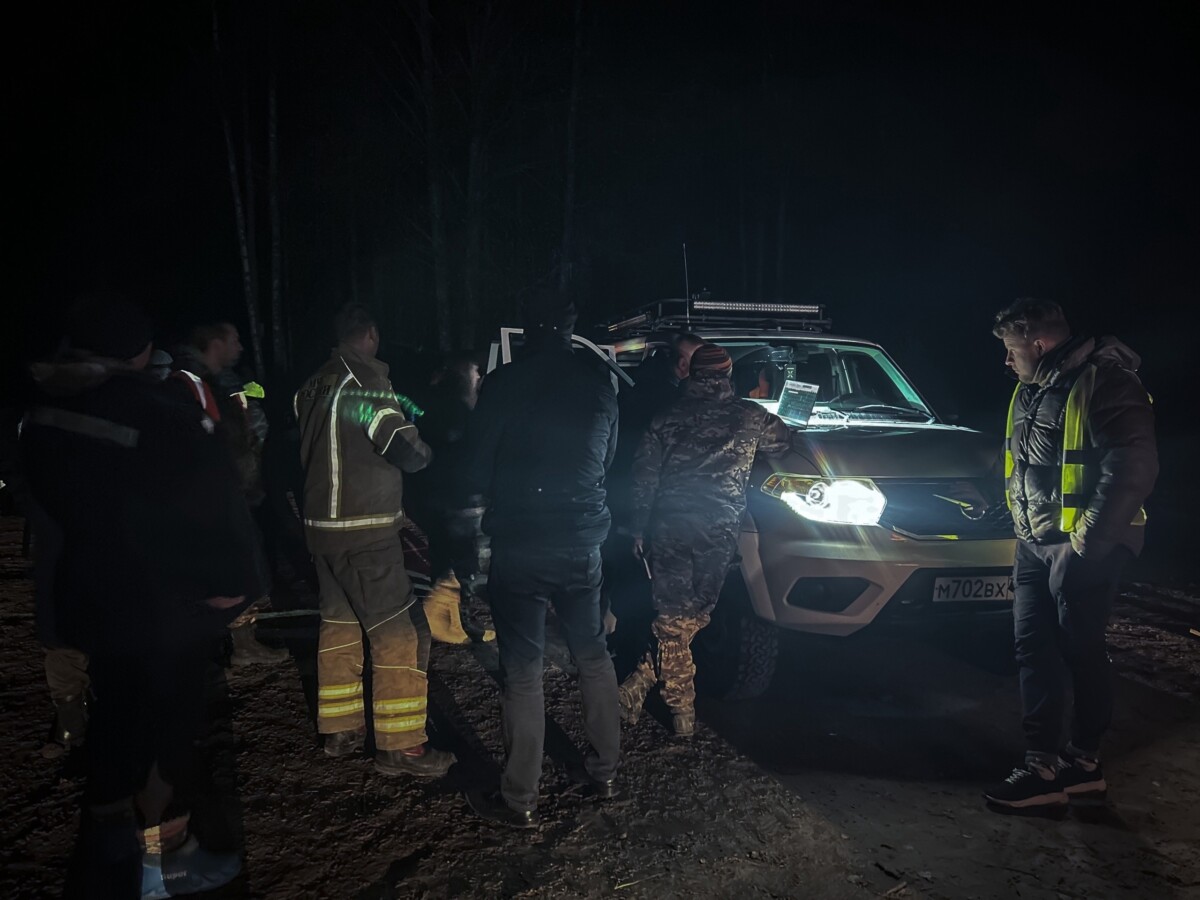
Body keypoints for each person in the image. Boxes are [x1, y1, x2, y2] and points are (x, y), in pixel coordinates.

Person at [21, 296, 260, 897]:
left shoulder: (44, 412)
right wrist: (232, 584)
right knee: (168, 729)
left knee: (116, 713)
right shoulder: (158, 412)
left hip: (91, 592)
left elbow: (43, 503)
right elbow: (208, 505)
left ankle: (109, 833)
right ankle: (169, 856)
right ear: (141, 351)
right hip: (163, 604)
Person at [983, 298, 1158, 811]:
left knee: (1080, 651)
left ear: (1039, 344)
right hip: (1036, 542)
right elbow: (1027, 466)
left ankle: (1083, 762)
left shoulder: (1106, 381)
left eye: (1013, 350)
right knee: (1033, 649)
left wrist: (1087, 541)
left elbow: (1134, 465)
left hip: (1083, 547)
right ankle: (1041, 766)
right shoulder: (1032, 388)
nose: (1007, 362)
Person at [463, 294, 621, 829]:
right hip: (582, 541)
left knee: (525, 671)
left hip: (523, 542)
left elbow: (477, 469)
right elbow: (608, 460)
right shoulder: (600, 385)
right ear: (572, 333)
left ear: (528, 332)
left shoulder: (506, 383)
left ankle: (520, 799)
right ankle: (604, 772)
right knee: (593, 656)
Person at [294, 303, 454, 778]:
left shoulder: (312, 385)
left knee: (339, 627)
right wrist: (427, 445)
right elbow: (402, 447)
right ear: (370, 334)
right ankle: (401, 744)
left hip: (322, 529)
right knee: (401, 634)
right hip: (363, 531)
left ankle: (339, 730)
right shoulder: (364, 382)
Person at [618, 343, 790, 736]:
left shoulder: (666, 419)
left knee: (675, 620)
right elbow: (785, 444)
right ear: (728, 375)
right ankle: (682, 713)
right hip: (719, 532)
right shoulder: (751, 418)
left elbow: (643, 479)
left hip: (669, 530)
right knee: (685, 617)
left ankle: (637, 684)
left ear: (691, 375)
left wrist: (638, 529)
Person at [172, 322, 285, 666]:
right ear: (215, 341)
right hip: (217, 495)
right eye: (234, 339)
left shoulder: (221, 381)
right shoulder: (193, 384)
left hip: (232, 489)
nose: (240, 345)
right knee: (232, 567)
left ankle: (240, 642)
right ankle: (236, 644)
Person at [406, 351, 495, 644]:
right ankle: (442, 613)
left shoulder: (436, 405)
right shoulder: (457, 410)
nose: (480, 376)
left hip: (441, 497)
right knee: (465, 561)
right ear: (462, 376)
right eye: (475, 372)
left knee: (449, 556)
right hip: (461, 498)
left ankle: (457, 620)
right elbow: (467, 453)